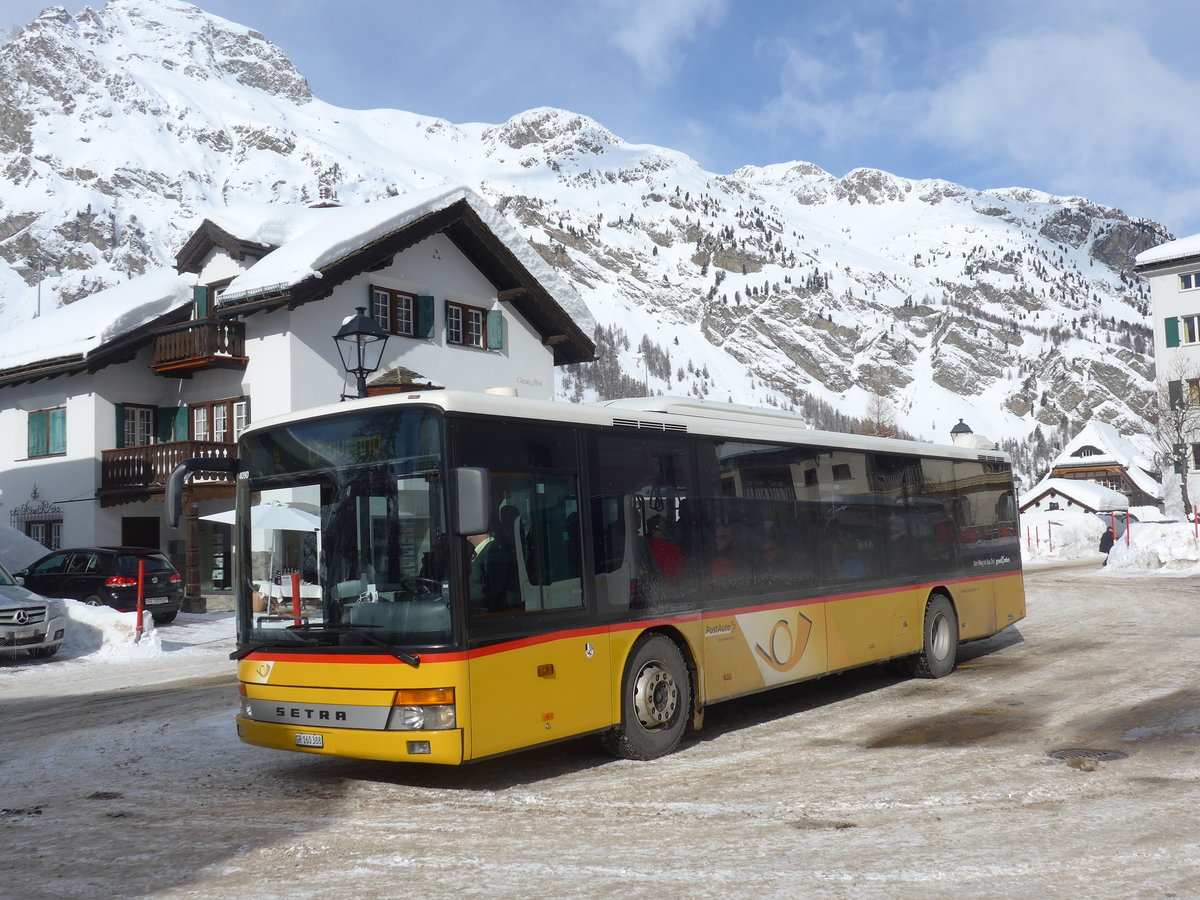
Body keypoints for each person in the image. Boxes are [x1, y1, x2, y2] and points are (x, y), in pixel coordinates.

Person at [467, 528, 520, 612]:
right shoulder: (480, 552)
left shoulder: (494, 552)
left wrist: (462, 592)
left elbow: (492, 590)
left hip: (494, 614)